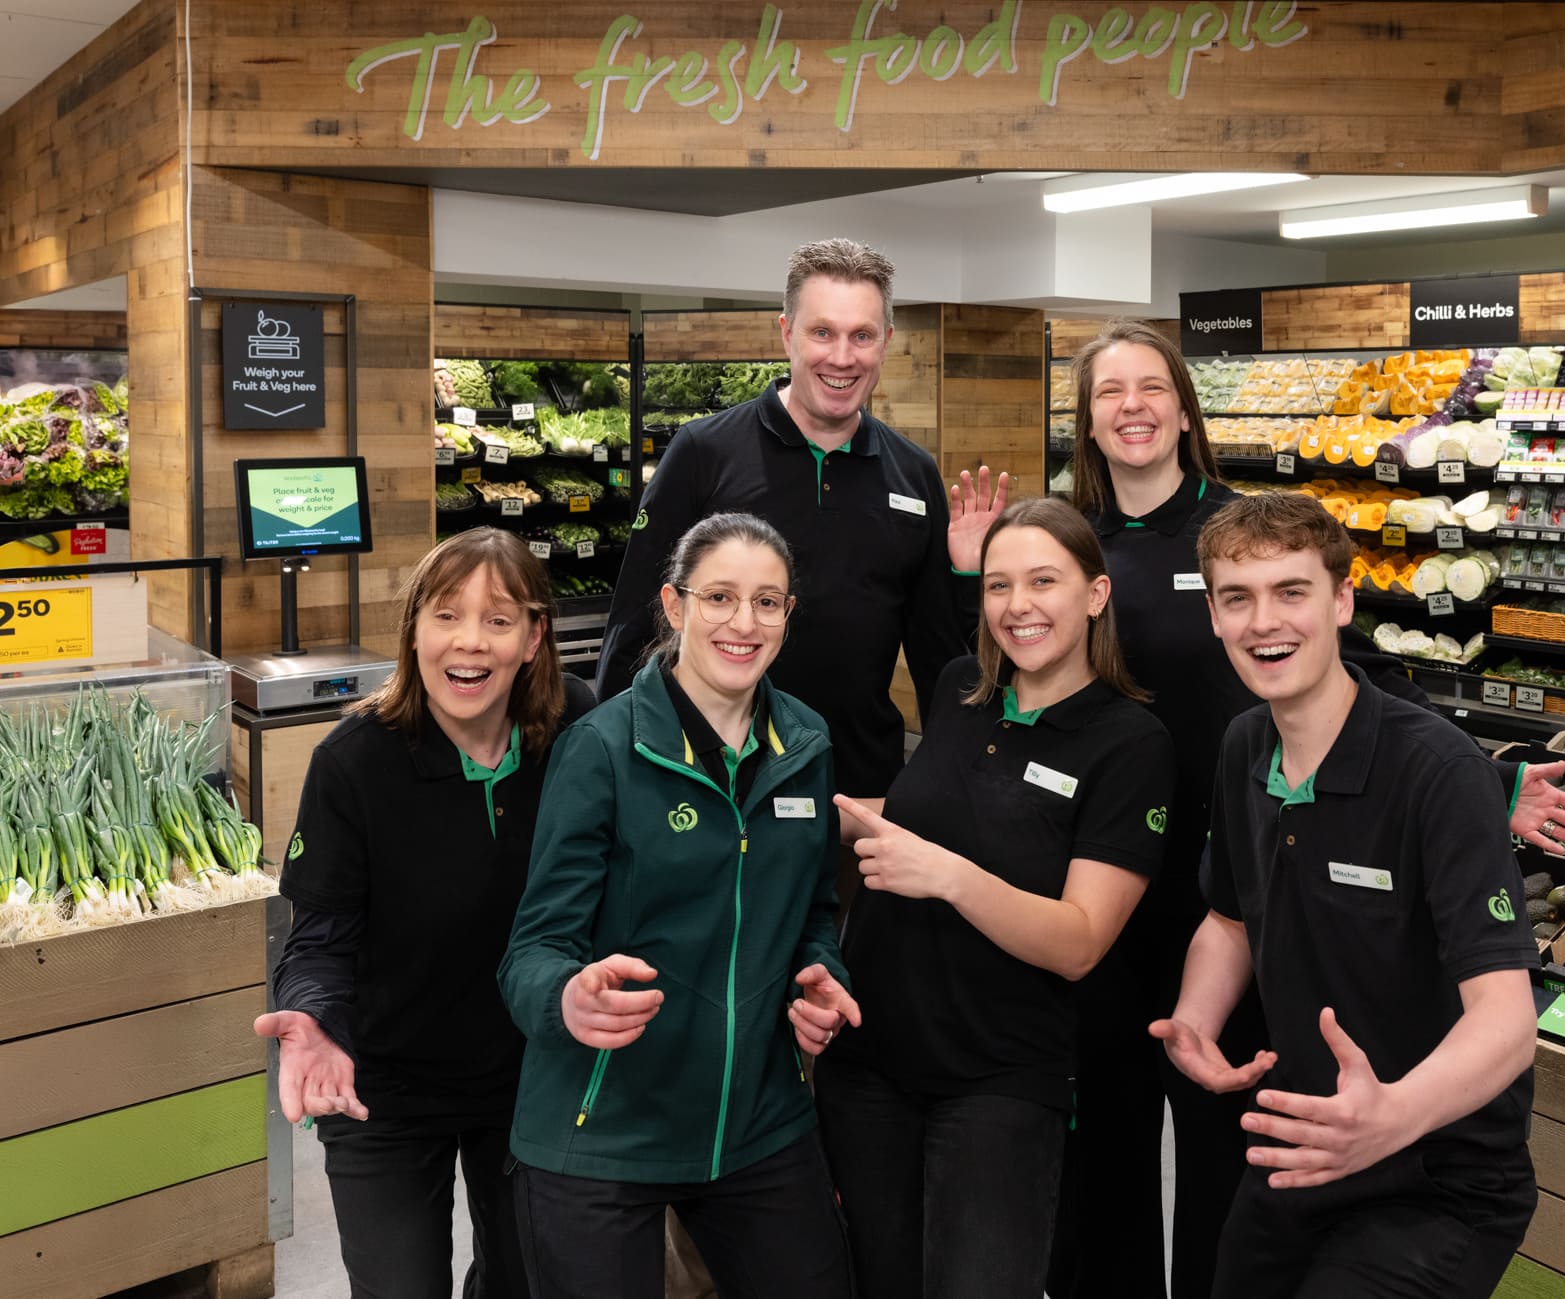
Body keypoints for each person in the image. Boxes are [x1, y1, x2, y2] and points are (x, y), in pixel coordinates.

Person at [931, 320, 1565, 1299]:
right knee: (1102, 1128)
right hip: (1105, 886)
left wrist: (1484, 779)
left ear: (1184, 408)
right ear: (1087, 419)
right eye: (1110, 393)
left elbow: (1354, 681)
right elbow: (1011, 669)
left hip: (1241, 881)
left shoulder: (1242, 529)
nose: (1133, 407)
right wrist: (965, 576)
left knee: (1228, 1138)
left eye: (1152, 386)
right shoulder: (1073, 546)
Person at [1155, 491, 1540, 1297]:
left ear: (1341, 601)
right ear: (1216, 618)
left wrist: (1390, 1116)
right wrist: (1196, 1018)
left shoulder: (1438, 771)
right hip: (1308, 1144)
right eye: (1238, 598)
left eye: (1291, 592)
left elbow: (1507, 1022)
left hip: (1439, 1177)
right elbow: (1229, 918)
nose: (1265, 622)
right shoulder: (1244, 745)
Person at [815, 497, 1177, 1299]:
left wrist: (945, 873)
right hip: (871, 1059)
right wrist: (817, 813)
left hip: (998, 1078)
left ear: (1095, 594)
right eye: (999, 584)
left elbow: (1081, 939)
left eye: (1044, 580)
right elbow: (921, 814)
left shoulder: (1129, 743)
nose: (1018, 606)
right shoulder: (957, 688)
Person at [498, 513, 856, 1299]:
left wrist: (819, 976)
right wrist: (567, 996)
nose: (743, 621)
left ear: (789, 615)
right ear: (673, 603)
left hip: (758, 1122)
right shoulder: (602, 749)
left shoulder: (806, 744)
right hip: (602, 1127)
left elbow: (813, 914)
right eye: (720, 596)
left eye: (768, 601)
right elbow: (532, 949)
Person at [256, 528, 595, 1299]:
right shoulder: (354, 762)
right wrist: (313, 1021)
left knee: (527, 1281)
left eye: (499, 619)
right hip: (382, 1086)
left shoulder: (576, 726)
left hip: (528, 1076)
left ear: (536, 636)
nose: (469, 641)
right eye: (446, 615)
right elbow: (318, 941)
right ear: (413, 629)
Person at [596, 237, 998, 825]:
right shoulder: (704, 453)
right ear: (786, 332)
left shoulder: (914, 474)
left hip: (859, 788)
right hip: (712, 784)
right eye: (822, 332)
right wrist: (617, 772)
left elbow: (941, 653)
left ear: (886, 342)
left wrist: (955, 772)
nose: (842, 357)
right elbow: (636, 625)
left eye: (862, 335)